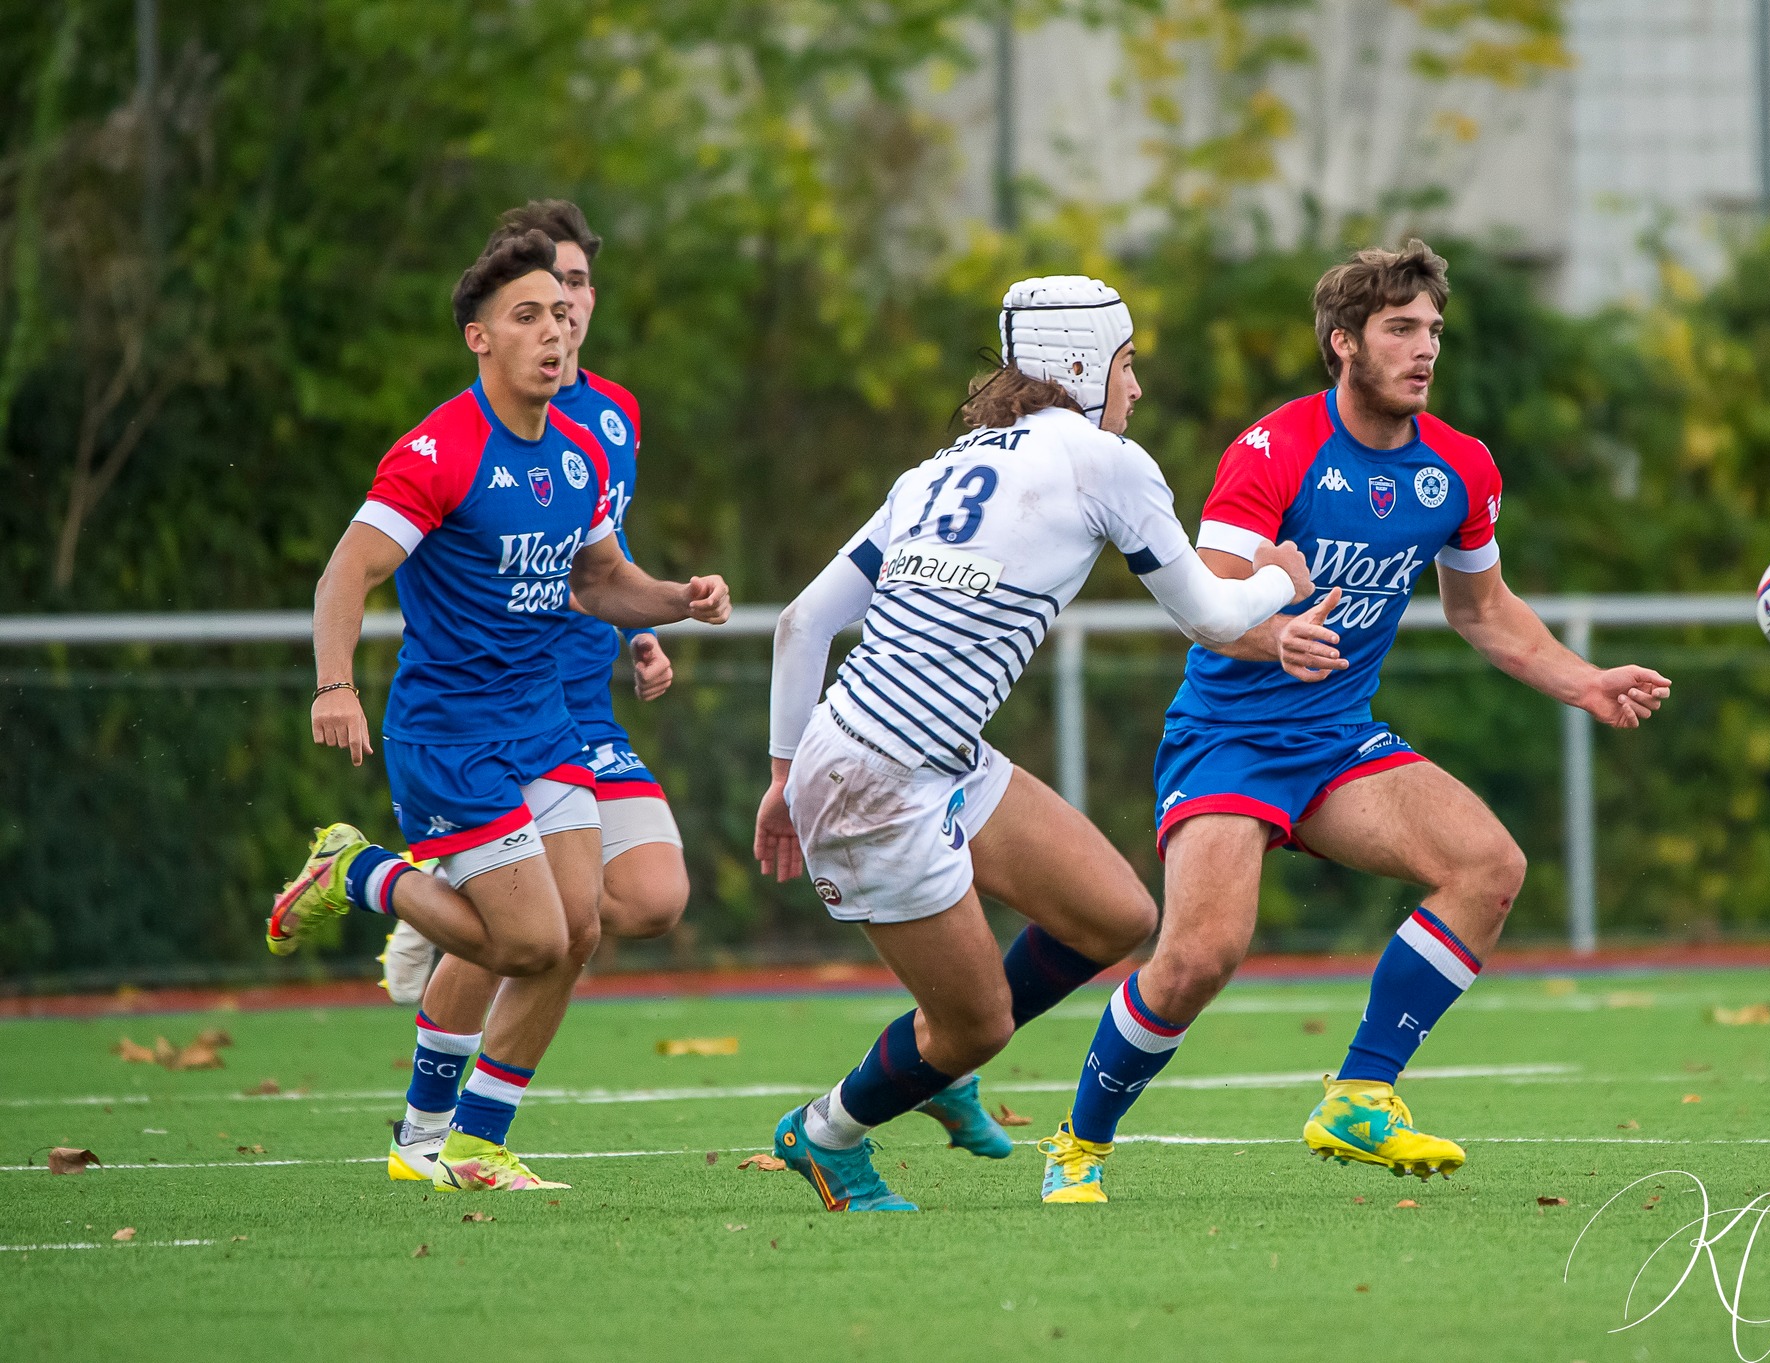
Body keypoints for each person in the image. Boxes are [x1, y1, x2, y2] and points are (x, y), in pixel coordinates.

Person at [1036, 241, 1672, 1203]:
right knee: (1201, 954)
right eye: (1401, 330)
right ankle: (1079, 1142)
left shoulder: (1460, 467)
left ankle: (1361, 1094)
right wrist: (1273, 632)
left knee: (1489, 867)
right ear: (1344, 343)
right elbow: (1206, 601)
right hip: (1229, 737)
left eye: (1434, 332)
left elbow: (1484, 611)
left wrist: (1583, 681)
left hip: (1339, 741)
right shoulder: (1272, 450)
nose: (1425, 351)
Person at [751, 276, 1313, 1212]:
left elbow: (802, 624)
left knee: (1115, 916)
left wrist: (784, 773)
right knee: (977, 1028)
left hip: (901, 752)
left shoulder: (937, 466)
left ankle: (934, 1056)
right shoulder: (1105, 461)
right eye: (1127, 365)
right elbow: (1215, 619)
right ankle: (826, 1133)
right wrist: (1279, 577)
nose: (1136, 389)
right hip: (878, 778)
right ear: (1086, 366)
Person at [266, 229, 731, 1193]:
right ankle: (358, 871)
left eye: (561, 314)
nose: (553, 333)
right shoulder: (441, 449)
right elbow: (347, 568)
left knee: (579, 932)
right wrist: (334, 683)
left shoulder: (576, 454)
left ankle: (464, 1142)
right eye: (527, 317)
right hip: (453, 737)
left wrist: (678, 600)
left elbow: (604, 583)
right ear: (478, 338)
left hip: (545, 728)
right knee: (526, 940)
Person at [377, 201, 695, 1184]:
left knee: (647, 899)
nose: (564, 311)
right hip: (491, 716)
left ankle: (461, 895)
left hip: (574, 707)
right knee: (544, 932)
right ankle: (455, 1130)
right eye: (545, 295)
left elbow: (603, 546)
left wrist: (642, 627)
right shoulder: (479, 427)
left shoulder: (613, 418)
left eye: (578, 290)